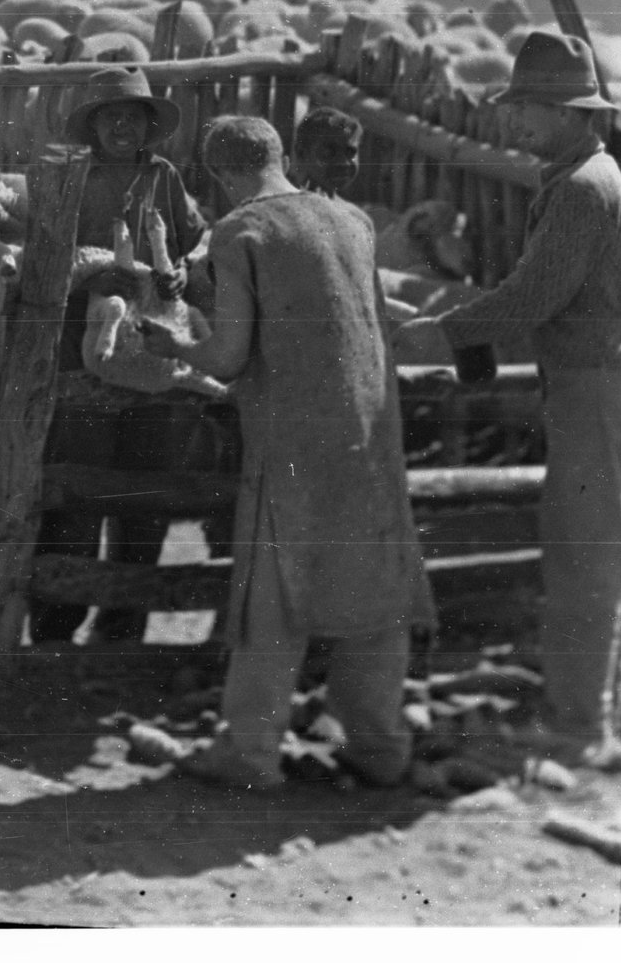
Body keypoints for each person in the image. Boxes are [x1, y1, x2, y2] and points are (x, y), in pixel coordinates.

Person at [144, 115, 433, 789]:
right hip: (368, 430)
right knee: (372, 585)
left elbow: (228, 355)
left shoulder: (239, 231)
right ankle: (381, 746)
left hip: (295, 436)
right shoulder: (353, 220)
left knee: (275, 593)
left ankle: (249, 753)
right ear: (280, 155)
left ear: (219, 173)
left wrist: (173, 347)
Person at [396, 31, 621, 770]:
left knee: (585, 553)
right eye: (515, 106)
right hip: (589, 380)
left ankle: (580, 726)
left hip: (595, 386)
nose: (515, 121)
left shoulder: (581, 190)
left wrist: (434, 337)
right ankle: (588, 708)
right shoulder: (583, 175)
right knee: (587, 546)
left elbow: (534, 296)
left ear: (570, 114)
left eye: (530, 108)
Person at [32, 66, 214, 645]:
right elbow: (42, 253)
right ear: (91, 125)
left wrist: (182, 269)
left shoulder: (163, 176)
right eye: (110, 116)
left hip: (153, 343)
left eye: (132, 116)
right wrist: (94, 272)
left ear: (147, 124)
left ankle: (124, 622)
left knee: (145, 487)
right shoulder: (69, 174)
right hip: (84, 345)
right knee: (78, 485)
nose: (121, 126)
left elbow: (192, 241)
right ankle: (59, 619)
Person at [289, 106, 364, 198]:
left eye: (350, 152)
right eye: (328, 152)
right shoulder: (288, 205)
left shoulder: (348, 211)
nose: (343, 163)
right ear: (302, 153)